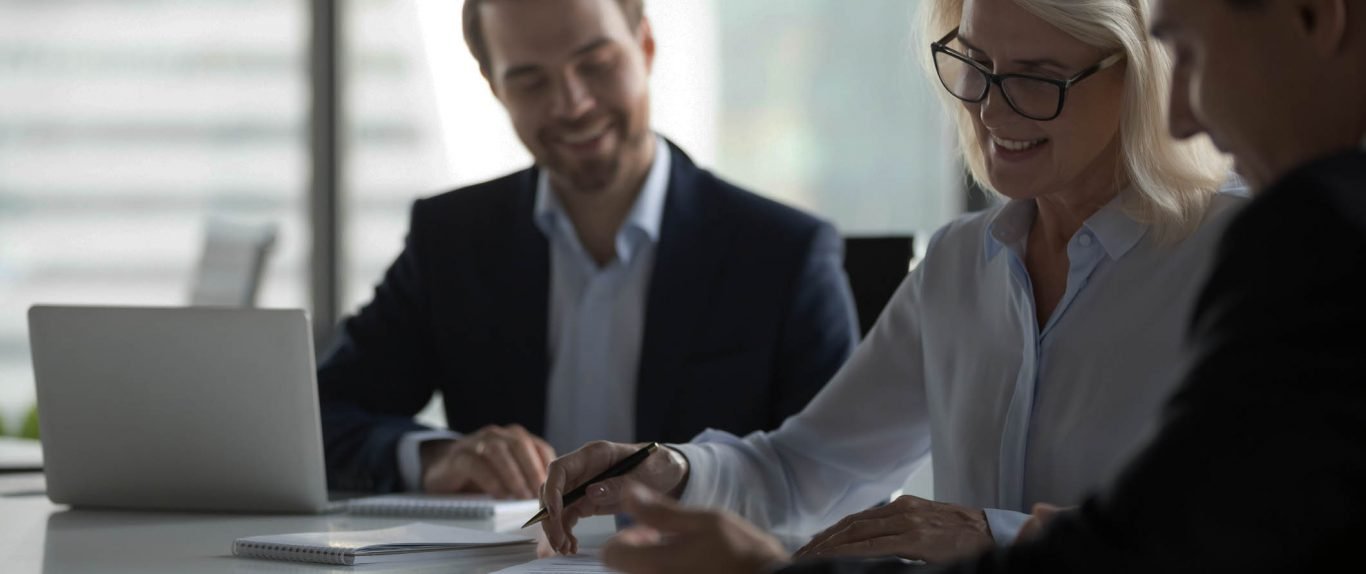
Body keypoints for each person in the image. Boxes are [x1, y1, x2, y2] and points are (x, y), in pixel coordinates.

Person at [584, 0, 1366, 572]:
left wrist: (989, 532)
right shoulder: (962, 262)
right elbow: (806, 468)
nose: (992, 109)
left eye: (1037, 79)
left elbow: (1199, 541)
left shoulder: (1249, 254)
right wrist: (676, 471)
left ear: (1142, 81)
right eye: (977, 66)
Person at [317, 0, 859, 498]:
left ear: (644, 47)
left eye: (595, 64)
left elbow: (846, 481)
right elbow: (318, 417)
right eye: (530, 81)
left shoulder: (783, 254)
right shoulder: (452, 239)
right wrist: (434, 458)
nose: (571, 104)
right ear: (493, 86)